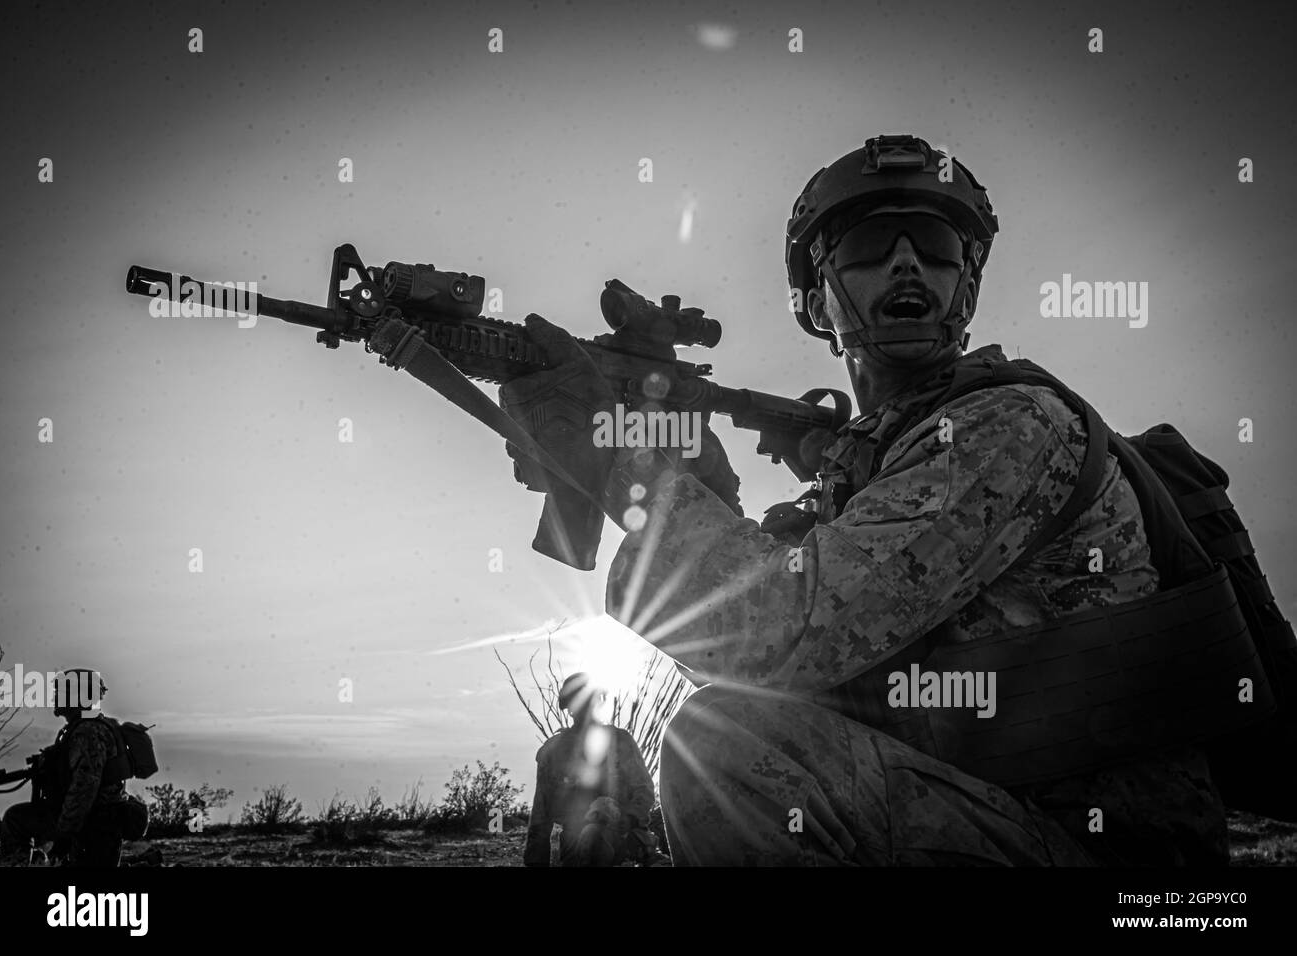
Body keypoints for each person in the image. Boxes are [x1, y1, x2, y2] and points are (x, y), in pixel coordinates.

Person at [499, 134, 1235, 866]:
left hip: (1109, 857)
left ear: (968, 288)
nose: (907, 261)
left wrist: (618, 466)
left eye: (938, 246)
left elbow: (790, 634)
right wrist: (698, 486)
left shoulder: (1008, 426)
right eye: (872, 244)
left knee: (720, 746)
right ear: (818, 301)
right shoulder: (875, 472)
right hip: (993, 813)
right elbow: (747, 661)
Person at [0, 669, 149, 866]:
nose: (54, 696)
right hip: (93, 819)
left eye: (61, 692)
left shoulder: (87, 732)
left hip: (94, 821)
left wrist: (65, 834)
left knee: (15, 821)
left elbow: (84, 789)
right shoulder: (86, 727)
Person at [523, 673, 656, 866]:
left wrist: (627, 817)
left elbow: (644, 790)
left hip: (623, 839)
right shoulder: (552, 751)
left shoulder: (620, 741)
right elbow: (541, 813)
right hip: (573, 844)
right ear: (569, 707)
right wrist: (535, 858)